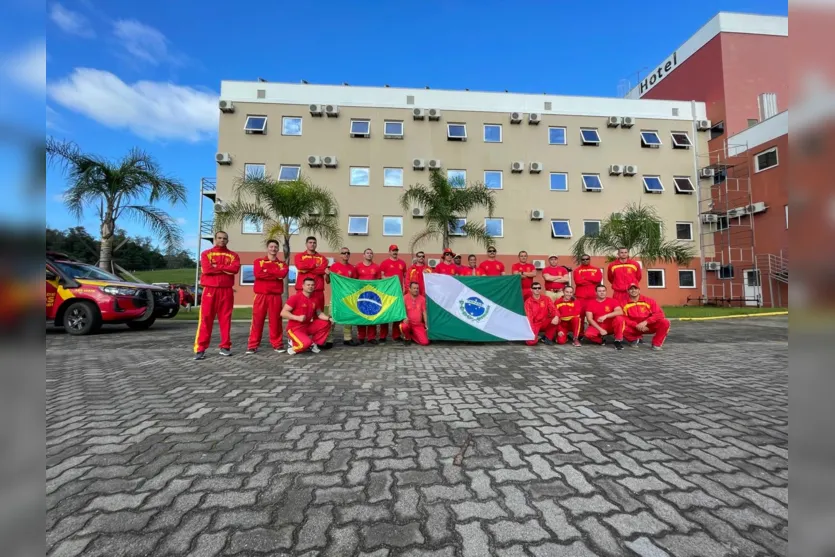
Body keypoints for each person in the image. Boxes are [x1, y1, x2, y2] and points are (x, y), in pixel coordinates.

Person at [194, 231, 241, 360]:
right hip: (210, 290)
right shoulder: (206, 254)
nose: (222, 240)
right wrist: (225, 268)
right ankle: (200, 348)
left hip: (226, 290)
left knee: (225, 319)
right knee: (206, 319)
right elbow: (207, 269)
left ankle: (225, 347)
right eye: (219, 238)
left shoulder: (233, 255)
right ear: (215, 239)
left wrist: (216, 266)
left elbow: (235, 269)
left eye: (224, 238)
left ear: (228, 240)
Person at [246, 239, 289, 354]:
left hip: (275, 296)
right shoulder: (258, 261)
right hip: (261, 296)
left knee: (276, 321)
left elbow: (282, 274)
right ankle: (252, 345)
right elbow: (258, 274)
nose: (273, 249)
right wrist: (275, 274)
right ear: (267, 248)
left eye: (275, 247)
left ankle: (278, 344)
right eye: (271, 246)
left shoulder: (282, 264)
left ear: (278, 249)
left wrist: (267, 272)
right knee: (257, 321)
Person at [280, 277, 333, 355]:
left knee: (326, 323)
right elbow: (283, 313)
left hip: (307, 326)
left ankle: (313, 344)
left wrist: (329, 318)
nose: (310, 286)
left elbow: (319, 314)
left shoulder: (315, 299)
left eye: (312, 285)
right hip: (294, 329)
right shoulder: (295, 298)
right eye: (308, 285)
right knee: (305, 344)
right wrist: (297, 317)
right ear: (303, 286)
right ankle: (293, 346)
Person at [622, 283, 671, 350]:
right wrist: (636, 325)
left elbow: (660, 314)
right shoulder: (623, 303)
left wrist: (646, 322)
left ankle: (656, 344)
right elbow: (623, 317)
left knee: (665, 322)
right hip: (634, 327)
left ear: (639, 290)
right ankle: (633, 339)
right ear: (627, 291)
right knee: (619, 323)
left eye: (635, 288)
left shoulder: (649, 301)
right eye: (631, 289)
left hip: (648, 327)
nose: (633, 290)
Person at [328, 247, 360, 346]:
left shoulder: (352, 268)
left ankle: (347, 338)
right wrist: (326, 274)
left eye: (348, 253)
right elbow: (328, 281)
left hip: (348, 297)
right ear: (340, 255)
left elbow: (355, 283)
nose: (346, 254)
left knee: (348, 317)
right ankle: (329, 339)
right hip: (336, 297)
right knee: (331, 317)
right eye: (344, 253)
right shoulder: (334, 267)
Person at [379, 244, 407, 343]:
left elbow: (405, 277)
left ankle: (396, 335)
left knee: (397, 314)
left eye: (396, 250)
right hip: (387, 293)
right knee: (385, 313)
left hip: (398, 292)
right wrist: (391, 278)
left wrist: (405, 288)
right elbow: (381, 277)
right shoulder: (384, 263)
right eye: (393, 250)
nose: (395, 252)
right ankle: (383, 335)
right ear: (389, 252)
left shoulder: (402, 263)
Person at [584, 284, 626, 350]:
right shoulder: (590, 303)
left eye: (603, 291)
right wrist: (600, 329)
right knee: (588, 334)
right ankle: (601, 340)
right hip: (598, 326)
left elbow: (620, 312)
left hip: (611, 325)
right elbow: (589, 319)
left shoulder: (613, 301)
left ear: (606, 292)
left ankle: (618, 340)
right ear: (596, 293)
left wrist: (606, 316)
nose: (602, 293)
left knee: (620, 319)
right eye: (599, 291)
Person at [294, 236, 329, 313]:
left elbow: (322, 270)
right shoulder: (299, 256)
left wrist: (307, 268)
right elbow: (300, 267)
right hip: (302, 290)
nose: (312, 244)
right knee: (301, 314)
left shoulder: (322, 258)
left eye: (314, 243)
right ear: (306, 244)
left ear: (316, 244)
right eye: (310, 242)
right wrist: (314, 265)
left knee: (318, 315)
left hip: (318, 291)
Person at [355, 248, 382, 345]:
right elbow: (354, 280)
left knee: (372, 315)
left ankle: (371, 337)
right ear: (364, 255)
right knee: (361, 315)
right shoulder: (358, 266)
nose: (369, 255)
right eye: (367, 253)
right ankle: (361, 337)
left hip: (372, 296)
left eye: (371, 253)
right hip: (361, 295)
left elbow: (379, 281)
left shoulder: (376, 267)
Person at [523, 281, 557, 346]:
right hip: (535, 324)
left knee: (557, 319)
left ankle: (547, 338)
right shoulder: (528, 302)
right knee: (531, 342)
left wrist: (556, 316)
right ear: (531, 289)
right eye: (535, 288)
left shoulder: (546, 299)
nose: (537, 290)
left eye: (539, 288)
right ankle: (536, 337)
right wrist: (531, 332)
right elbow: (529, 318)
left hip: (544, 322)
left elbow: (553, 309)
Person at [400, 281, 429, 345]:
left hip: (418, 324)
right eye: (414, 288)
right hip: (408, 323)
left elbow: (424, 312)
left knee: (425, 342)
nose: (416, 290)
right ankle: (407, 338)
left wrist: (426, 323)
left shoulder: (422, 299)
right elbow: (402, 311)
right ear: (409, 289)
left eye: (417, 288)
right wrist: (404, 318)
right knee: (403, 326)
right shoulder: (404, 298)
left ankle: (412, 336)